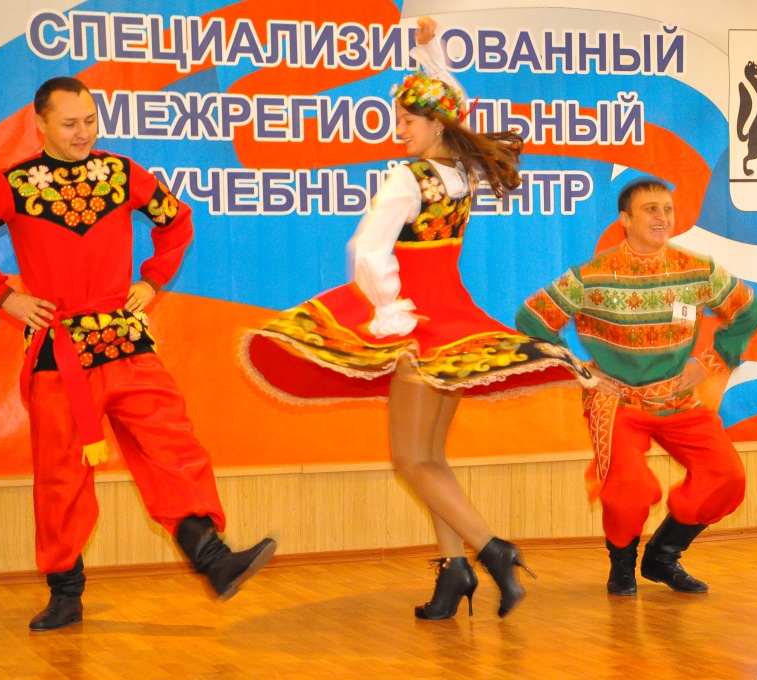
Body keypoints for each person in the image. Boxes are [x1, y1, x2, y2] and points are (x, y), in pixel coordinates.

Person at [242, 17, 590, 619]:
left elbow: (367, 251)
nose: (398, 130)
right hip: (456, 317)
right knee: (431, 458)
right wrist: (429, 50)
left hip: (416, 324)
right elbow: (451, 96)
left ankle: (494, 550)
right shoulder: (463, 173)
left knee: (409, 459)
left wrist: (385, 310)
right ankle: (454, 571)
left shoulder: (407, 178)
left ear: (436, 125)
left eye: (406, 120)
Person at [0, 76, 276, 631]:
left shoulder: (119, 173)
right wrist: (6, 296)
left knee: (170, 443)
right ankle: (65, 593)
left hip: (123, 341)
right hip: (58, 352)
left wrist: (153, 279)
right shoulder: (16, 185)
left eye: (91, 121)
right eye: (70, 123)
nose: (83, 133)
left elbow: (176, 219)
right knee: (61, 476)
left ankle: (213, 559)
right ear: (40, 124)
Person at [516, 178, 757, 596]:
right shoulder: (592, 275)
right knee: (627, 487)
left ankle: (662, 557)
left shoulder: (697, 269)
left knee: (726, 476)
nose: (662, 217)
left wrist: (711, 362)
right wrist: (582, 371)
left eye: (667, 208)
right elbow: (532, 320)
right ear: (625, 220)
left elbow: (749, 310)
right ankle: (622, 565)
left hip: (677, 398)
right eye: (650, 209)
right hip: (618, 402)